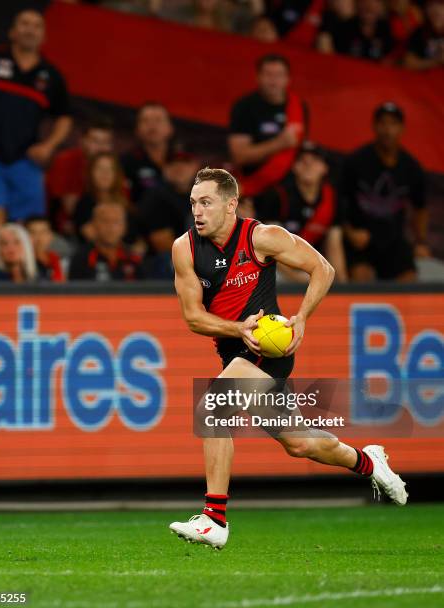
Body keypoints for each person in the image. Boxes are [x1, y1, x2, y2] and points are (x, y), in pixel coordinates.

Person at [169, 167, 407, 549]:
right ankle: (368, 461)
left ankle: (214, 519)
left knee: (213, 405)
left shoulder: (263, 236)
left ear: (231, 205)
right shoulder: (185, 248)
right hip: (237, 349)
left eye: (207, 202)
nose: (198, 210)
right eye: (194, 202)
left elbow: (322, 269)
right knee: (300, 444)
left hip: (270, 352)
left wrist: (301, 319)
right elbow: (193, 318)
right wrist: (237, 330)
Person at [0, 9, 72, 231]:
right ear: (12, 32)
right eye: (25, 24)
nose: (30, 30)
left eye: (37, 26)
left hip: (24, 159)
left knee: (32, 226)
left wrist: (48, 146)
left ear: (44, 36)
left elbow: (64, 118)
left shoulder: (52, 75)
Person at [340, 102, 429, 281]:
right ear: (374, 126)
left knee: (410, 280)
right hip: (361, 241)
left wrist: (420, 242)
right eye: (383, 123)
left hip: (394, 240)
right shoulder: (356, 161)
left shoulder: (412, 167)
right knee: (361, 279)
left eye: (393, 124)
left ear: (402, 129)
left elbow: (420, 208)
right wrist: (350, 233)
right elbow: (339, 202)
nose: (388, 130)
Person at [256, 142, 348, 282]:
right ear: (294, 167)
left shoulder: (332, 199)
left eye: (315, 161)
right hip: (277, 268)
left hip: (310, 268)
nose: (308, 165)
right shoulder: (278, 196)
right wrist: (297, 279)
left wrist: (343, 285)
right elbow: (270, 250)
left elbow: (334, 247)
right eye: (302, 161)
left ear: (325, 168)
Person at [228, 54, 305, 198]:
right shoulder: (244, 107)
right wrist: (279, 143)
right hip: (253, 186)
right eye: (268, 74)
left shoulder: (299, 107)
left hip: (289, 190)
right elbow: (239, 156)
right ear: (257, 77)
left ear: (288, 79)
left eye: (279, 75)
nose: (273, 81)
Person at [46, 116, 115, 235]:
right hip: (64, 229)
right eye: (95, 141)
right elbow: (71, 210)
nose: (100, 147)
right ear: (83, 141)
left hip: (104, 227)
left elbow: (120, 202)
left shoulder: (114, 165)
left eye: (105, 142)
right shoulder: (67, 160)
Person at [68, 203, 144, 281]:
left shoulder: (134, 258)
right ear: (94, 225)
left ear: (124, 227)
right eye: (105, 221)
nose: (110, 228)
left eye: (116, 222)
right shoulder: (81, 259)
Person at [72, 152, 134, 244]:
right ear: (90, 173)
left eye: (110, 169)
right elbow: (92, 236)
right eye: (100, 169)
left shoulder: (125, 203)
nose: (105, 174)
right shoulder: (84, 204)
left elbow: (135, 237)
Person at [120, 102, 174, 204]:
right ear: (137, 129)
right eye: (145, 121)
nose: (152, 126)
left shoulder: (183, 161)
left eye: (158, 120)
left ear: (170, 128)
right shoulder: (126, 162)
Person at [317, 0, 394, 62]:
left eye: (375, 1)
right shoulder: (345, 28)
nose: (369, 6)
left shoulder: (385, 29)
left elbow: (389, 60)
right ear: (357, 4)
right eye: (363, 1)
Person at [404, 0, 444, 70]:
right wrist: (436, 61)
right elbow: (409, 62)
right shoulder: (420, 32)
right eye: (430, 5)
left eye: (440, 5)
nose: (435, 10)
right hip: (427, 79)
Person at [25, 216, 65, 282]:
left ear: (51, 236)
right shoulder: (21, 261)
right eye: (33, 232)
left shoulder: (56, 259)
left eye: (43, 232)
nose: (39, 238)